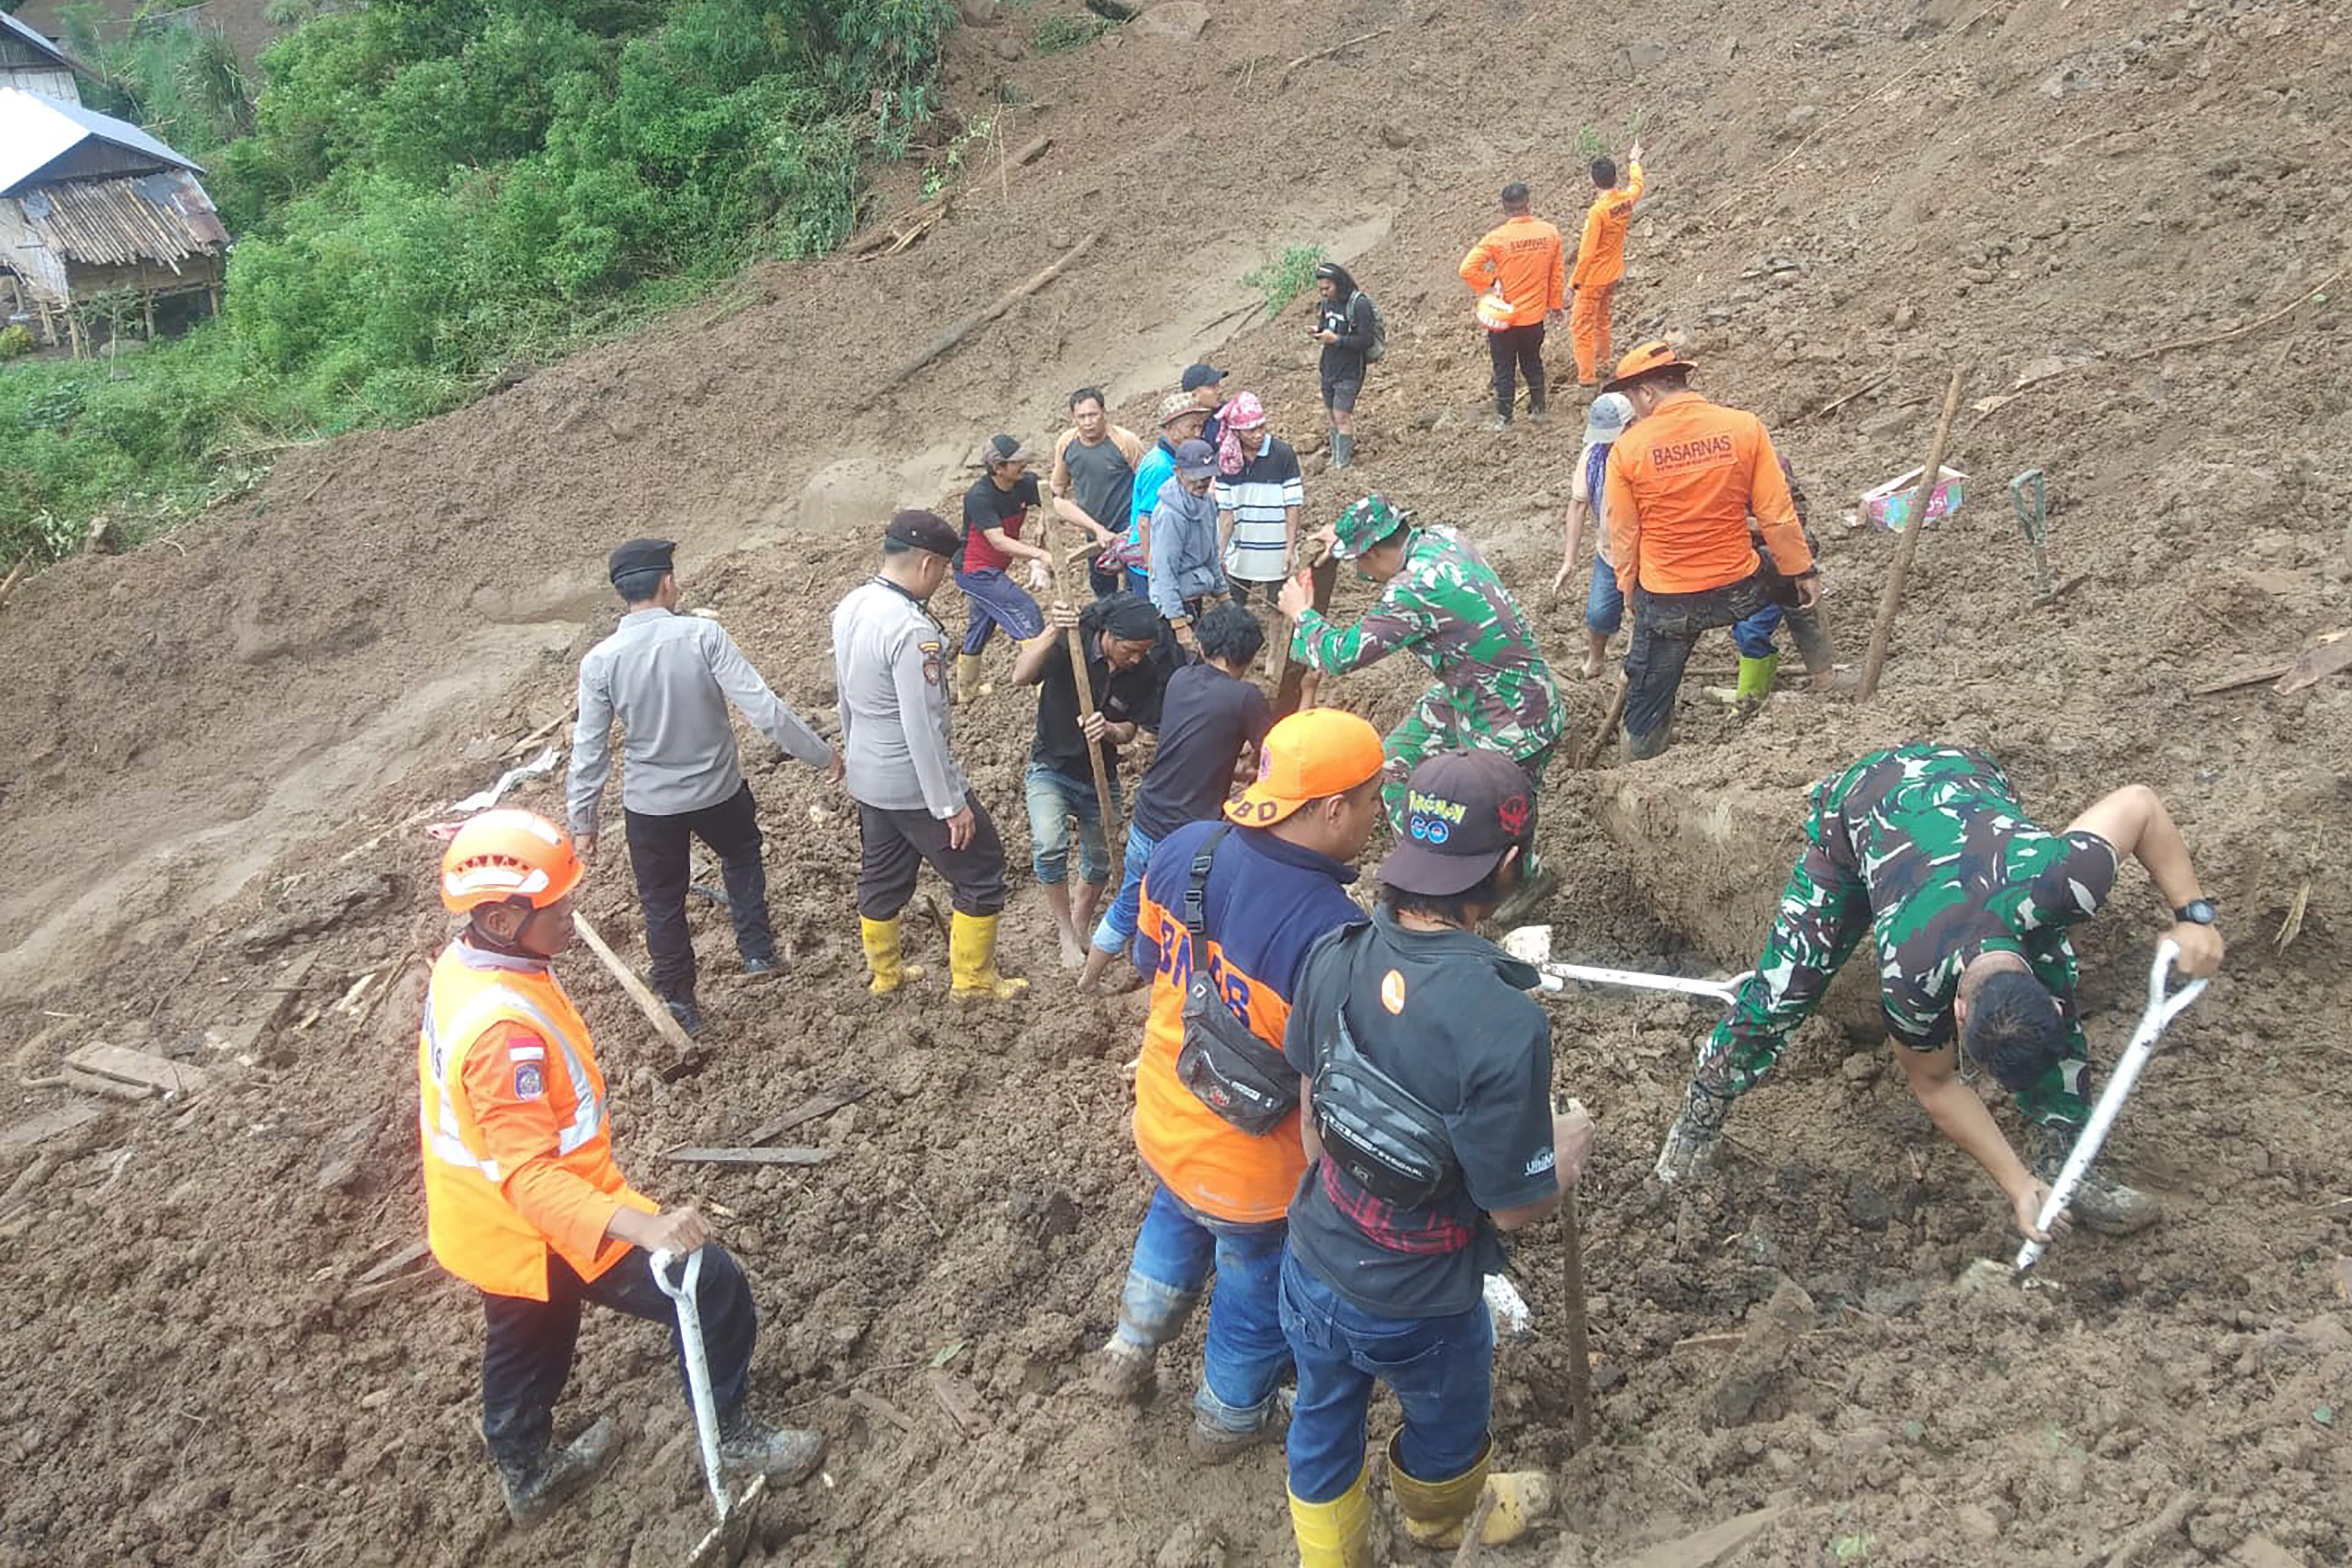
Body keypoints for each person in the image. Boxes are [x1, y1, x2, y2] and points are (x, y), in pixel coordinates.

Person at [421, 809, 824, 1526]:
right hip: (541, 1217)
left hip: (484, 1219)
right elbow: (532, 1179)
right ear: (507, 920)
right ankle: (731, 1438)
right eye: (559, 905)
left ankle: (527, 1473)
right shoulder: (504, 1032)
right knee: (709, 1282)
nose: (574, 913)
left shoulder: (466, 965)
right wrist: (646, 1226)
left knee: (530, 1331)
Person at [1653, 743, 2229, 1240]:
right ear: (1953, 1011)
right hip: (1859, 815)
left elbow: (2141, 804)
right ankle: (1702, 1108)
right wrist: (2015, 1182)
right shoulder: (1911, 972)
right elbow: (1936, 1083)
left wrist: (2195, 915)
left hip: (1966, 776)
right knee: (1781, 996)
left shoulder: (2062, 880)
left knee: (2050, 963)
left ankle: (2067, 1154)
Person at [1277, 750, 1594, 1563]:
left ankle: (1328, 1555)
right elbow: (1514, 1208)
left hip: (1311, 1256)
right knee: (1448, 1415)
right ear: (1510, 866)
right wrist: (1565, 1156)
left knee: (1321, 1409)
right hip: (1420, 1298)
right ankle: (1439, 1520)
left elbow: (1314, 1124)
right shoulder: (1503, 1020)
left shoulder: (1333, 951)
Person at [1094, 709, 1388, 1463]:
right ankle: (1228, 1413)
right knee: (1252, 1284)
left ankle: (1130, 1346)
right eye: (1369, 801)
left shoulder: (1188, 848)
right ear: (1330, 810)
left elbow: (1149, 962)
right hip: (1255, 1170)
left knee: (1174, 1215)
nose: (1373, 816)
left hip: (1167, 1111)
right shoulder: (1333, 933)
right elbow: (1335, 1078)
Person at [567, 538, 837, 1039]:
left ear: (623, 594)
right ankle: (757, 951)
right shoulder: (703, 636)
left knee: (661, 900)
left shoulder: (601, 662)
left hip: (650, 807)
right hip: (719, 792)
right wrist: (823, 756)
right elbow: (765, 710)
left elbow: (590, 751)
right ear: (667, 582)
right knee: (741, 855)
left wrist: (582, 824)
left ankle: (680, 998)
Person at [1280, 495, 1563, 838]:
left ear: (1370, 554)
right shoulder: (1444, 537)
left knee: (1494, 822)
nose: (1361, 573)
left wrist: (1301, 614)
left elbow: (1341, 656)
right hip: (1490, 691)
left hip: (1512, 725)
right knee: (1396, 762)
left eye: (1358, 561)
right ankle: (1423, 856)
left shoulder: (1413, 590)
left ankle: (1482, 876)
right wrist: (1344, 538)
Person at [832, 510, 1025, 1000]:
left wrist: (854, 757)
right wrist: (950, 804)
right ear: (926, 564)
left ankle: (886, 973)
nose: (942, 580)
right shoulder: (911, 630)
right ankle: (975, 981)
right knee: (981, 866)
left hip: (869, 774)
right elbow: (921, 725)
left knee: (883, 870)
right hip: (911, 779)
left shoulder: (852, 604)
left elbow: (844, 696)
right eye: (943, 569)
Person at [1600, 340, 1824, 760]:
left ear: (1647, 392)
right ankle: (1824, 677)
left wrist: (1628, 588)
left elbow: (1624, 532)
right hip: (1739, 585)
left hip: (1668, 598)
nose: (1633, 408)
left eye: (1632, 397)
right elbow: (1776, 515)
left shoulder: (1627, 450)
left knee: (1648, 692)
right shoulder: (1743, 427)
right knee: (1790, 579)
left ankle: (1638, 762)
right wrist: (1803, 571)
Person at [1078, 601, 1273, 994]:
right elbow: (1275, 755)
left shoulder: (1181, 680)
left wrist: (1232, 771)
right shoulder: (1246, 698)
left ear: (1202, 646)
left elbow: (1188, 749)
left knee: (1131, 899)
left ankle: (1088, 980)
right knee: (1189, 911)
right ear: (1249, 657)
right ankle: (1164, 980)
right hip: (1190, 833)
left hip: (1149, 814)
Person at [1010, 590, 1172, 968]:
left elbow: (1131, 729)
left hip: (1099, 773)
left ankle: (1081, 926)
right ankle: (1065, 931)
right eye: (1129, 649)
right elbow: (1020, 675)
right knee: (1049, 845)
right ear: (1109, 636)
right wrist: (1053, 629)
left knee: (1100, 860)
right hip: (1050, 764)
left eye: (1143, 651)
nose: (1135, 658)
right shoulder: (1073, 646)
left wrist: (1110, 731)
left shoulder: (1144, 671)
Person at [1707, 456, 1849, 709]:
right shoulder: (1710, 473)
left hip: (1786, 554)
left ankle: (1824, 677)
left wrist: (1748, 524)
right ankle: (1752, 695)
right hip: (1746, 565)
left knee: (1804, 611)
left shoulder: (1772, 466)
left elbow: (1795, 519)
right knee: (1749, 628)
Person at [955, 433, 1055, 702]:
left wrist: (1044, 522)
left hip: (995, 569)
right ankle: (1044, 688)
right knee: (1027, 612)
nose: (1024, 465)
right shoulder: (980, 496)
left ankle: (967, 689)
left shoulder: (1025, 483)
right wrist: (1040, 555)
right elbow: (998, 541)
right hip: (975, 572)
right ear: (998, 468)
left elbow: (1053, 499)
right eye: (1016, 463)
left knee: (982, 625)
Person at [1458, 182, 1566, 429]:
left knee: (1504, 367)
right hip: (1534, 317)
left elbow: (1466, 269)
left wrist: (1492, 280)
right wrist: (1556, 306)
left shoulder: (1497, 238)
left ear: (1505, 209)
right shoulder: (1549, 233)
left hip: (1504, 318)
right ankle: (1539, 410)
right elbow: (1556, 275)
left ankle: (1504, 419)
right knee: (1533, 362)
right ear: (1528, 205)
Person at [1553, 392, 1638, 679]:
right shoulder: (1593, 456)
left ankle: (1637, 665)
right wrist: (1570, 561)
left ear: (1631, 425)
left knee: (1643, 615)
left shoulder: (1644, 454)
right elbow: (1578, 505)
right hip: (1609, 552)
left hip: (1649, 552)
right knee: (1599, 614)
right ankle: (1596, 660)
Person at [1213, 391, 1304, 624]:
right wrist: (1220, 554)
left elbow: (1292, 506)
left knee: (1279, 607)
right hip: (1242, 549)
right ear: (1236, 432)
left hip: (1276, 548)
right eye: (1251, 431)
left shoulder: (1282, 454)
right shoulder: (1226, 460)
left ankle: (1276, 655)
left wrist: (1289, 548)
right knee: (1233, 607)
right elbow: (1227, 515)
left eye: (1262, 427)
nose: (1258, 435)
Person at [1051, 387, 1147, 598]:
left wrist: (1143, 522)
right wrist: (1044, 519)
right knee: (1102, 587)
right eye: (1081, 417)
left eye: (1092, 415)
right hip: (1093, 526)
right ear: (1074, 418)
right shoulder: (1067, 443)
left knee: (1137, 584)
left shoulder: (1125, 442)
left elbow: (1146, 482)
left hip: (1128, 526)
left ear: (1104, 412)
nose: (1088, 422)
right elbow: (1058, 487)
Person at [1568, 142, 1647, 388]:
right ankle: (1603, 362)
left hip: (1594, 279)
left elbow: (1587, 254)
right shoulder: (1626, 200)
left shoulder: (1598, 212)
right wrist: (1634, 161)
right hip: (1613, 274)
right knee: (1603, 320)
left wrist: (1574, 284)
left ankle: (1587, 378)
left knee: (1581, 327)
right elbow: (1638, 185)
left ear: (1593, 181)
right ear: (1615, 178)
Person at [1121, 393, 1210, 595]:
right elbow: (1146, 523)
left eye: (1200, 427)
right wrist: (1156, 576)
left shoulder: (1179, 458)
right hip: (1156, 563)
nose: (1198, 434)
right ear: (1171, 429)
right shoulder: (1161, 468)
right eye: (1192, 428)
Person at [1146, 438, 1231, 646]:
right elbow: (1164, 572)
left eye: (1207, 476)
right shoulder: (1170, 516)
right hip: (1172, 607)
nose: (1202, 482)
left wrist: (1226, 600)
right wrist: (1179, 625)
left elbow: (1212, 555)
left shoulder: (1208, 503)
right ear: (1178, 472)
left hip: (1195, 595)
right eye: (1196, 477)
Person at [1310, 261, 1376, 469]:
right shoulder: (1328, 303)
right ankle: (1335, 457)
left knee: (1342, 416)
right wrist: (1318, 332)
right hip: (1329, 368)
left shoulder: (1359, 305)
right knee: (1331, 415)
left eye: (1328, 288)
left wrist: (1338, 340)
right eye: (1321, 289)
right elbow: (1326, 326)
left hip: (1350, 371)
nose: (1324, 293)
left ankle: (1343, 463)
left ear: (1339, 283)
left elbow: (1366, 340)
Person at [1184, 361, 1228, 446]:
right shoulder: (1182, 428)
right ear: (1194, 395)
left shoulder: (1229, 415)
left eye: (1218, 385)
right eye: (1213, 387)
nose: (1220, 391)